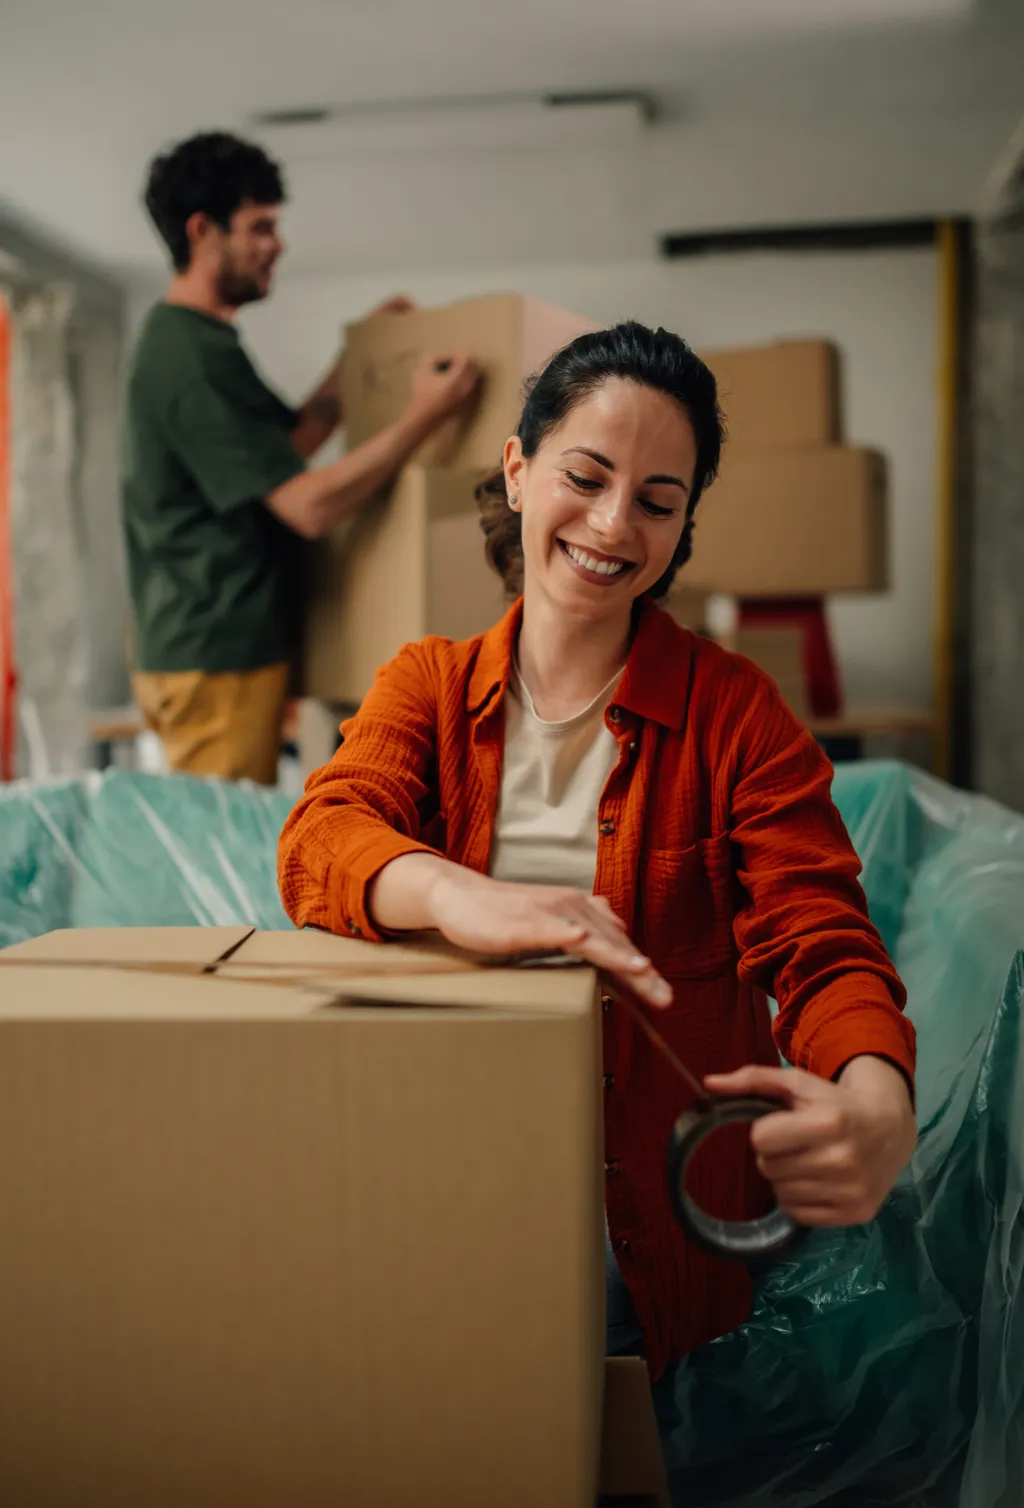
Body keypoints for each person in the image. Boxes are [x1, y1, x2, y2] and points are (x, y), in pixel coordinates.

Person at [277, 321, 917, 1379]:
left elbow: (821, 941)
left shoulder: (735, 716)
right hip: (439, 1202)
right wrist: (455, 894)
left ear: (679, 531)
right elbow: (320, 840)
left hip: (658, 1244)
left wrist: (876, 1100)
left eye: (658, 503)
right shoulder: (426, 686)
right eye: (585, 476)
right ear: (519, 473)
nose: (614, 523)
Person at [122, 131, 477, 785]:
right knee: (216, 862)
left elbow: (282, 454)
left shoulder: (197, 343)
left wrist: (357, 359)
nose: (277, 244)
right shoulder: (189, 358)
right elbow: (307, 506)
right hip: (215, 652)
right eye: (260, 227)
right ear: (203, 231)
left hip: (214, 647)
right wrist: (426, 417)